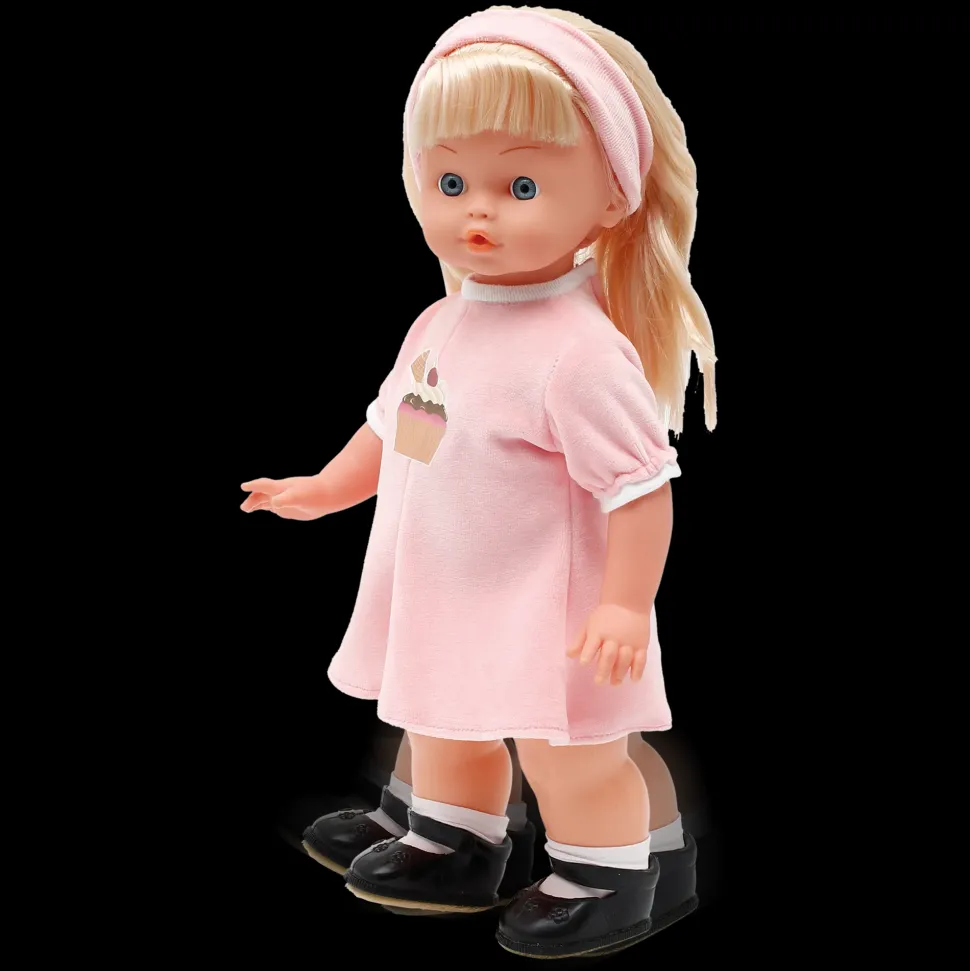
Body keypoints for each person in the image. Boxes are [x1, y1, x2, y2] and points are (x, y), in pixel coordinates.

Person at [241, 6, 715, 957]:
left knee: (567, 749)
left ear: (612, 197)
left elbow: (638, 487)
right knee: (439, 716)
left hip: (547, 603)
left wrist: (626, 603)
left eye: (521, 184)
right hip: (446, 585)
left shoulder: (580, 353)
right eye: (450, 181)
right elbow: (407, 427)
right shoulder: (443, 321)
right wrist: (327, 486)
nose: (477, 212)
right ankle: (453, 839)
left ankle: (609, 870)